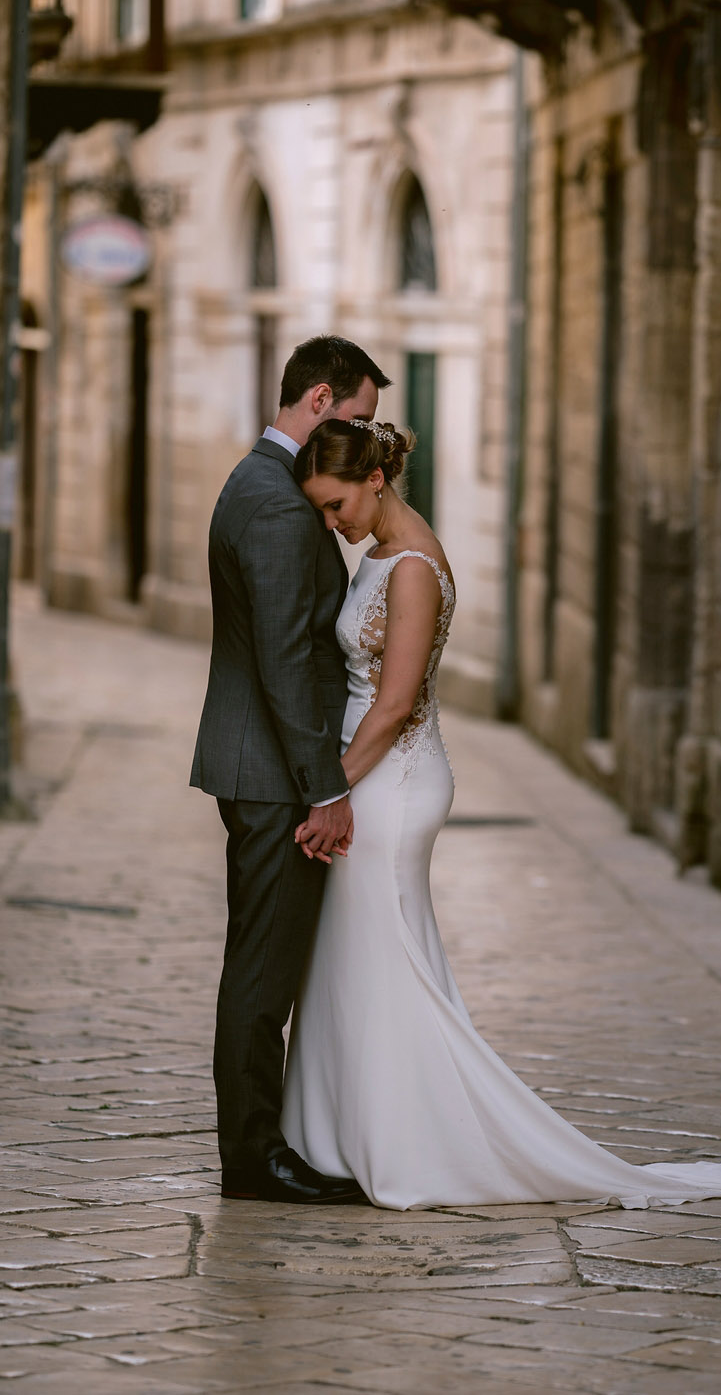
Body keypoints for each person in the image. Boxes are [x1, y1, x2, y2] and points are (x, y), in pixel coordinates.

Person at [281, 418, 721, 1211]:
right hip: (369, 780)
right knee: (361, 960)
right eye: (320, 509)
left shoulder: (412, 568)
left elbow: (393, 706)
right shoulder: (382, 553)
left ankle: (413, 1142)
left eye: (337, 504)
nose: (332, 522)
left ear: (375, 481)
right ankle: (348, 1132)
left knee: (387, 960)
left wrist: (329, 794)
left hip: (391, 782)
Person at [190, 334, 391, 1204]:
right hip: (275, 776)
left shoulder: (263, 481)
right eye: (355, 420)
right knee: (262, 973)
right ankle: (254, 1160)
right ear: (317, 400)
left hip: (264, 767)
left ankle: (262, 1146)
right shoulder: (274, 503)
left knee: (262, 964)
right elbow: (281, 658)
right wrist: (329, 787)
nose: (365, 443)